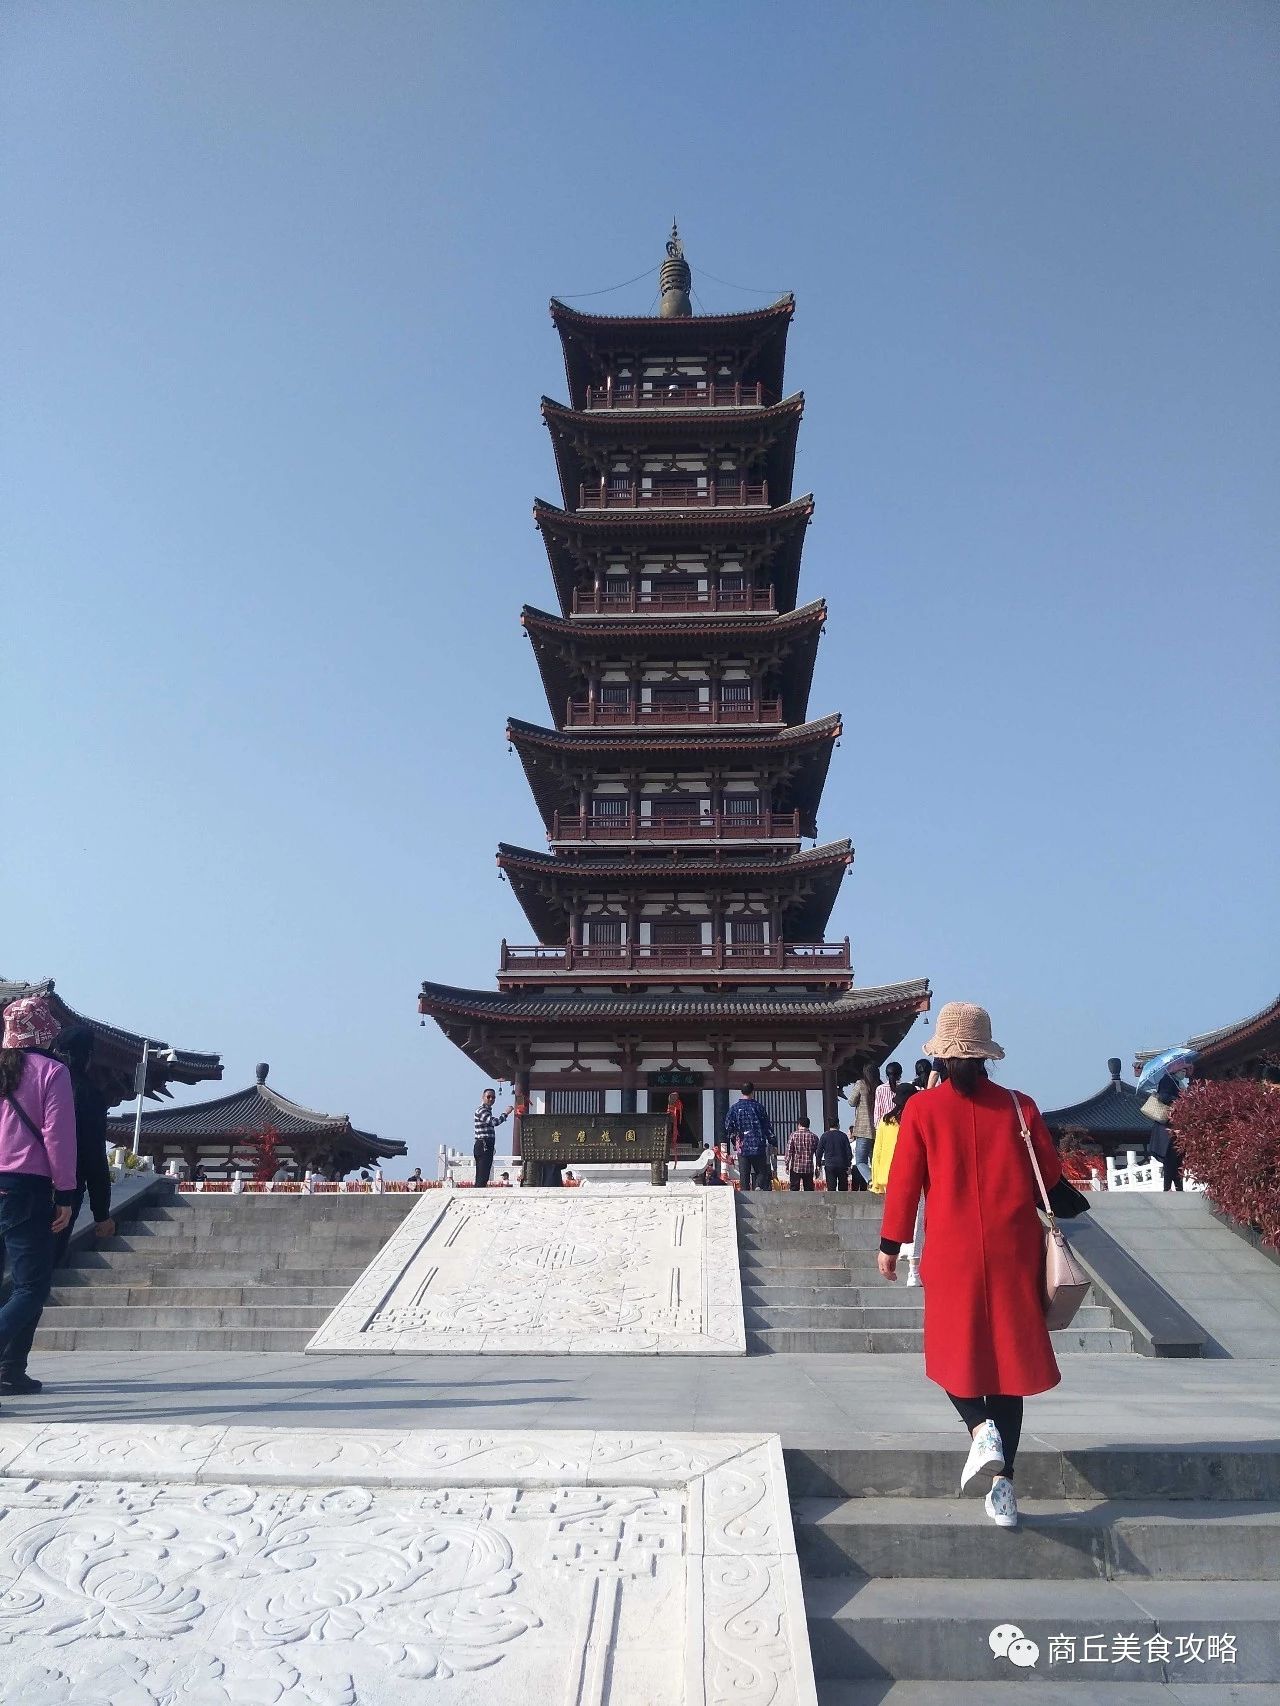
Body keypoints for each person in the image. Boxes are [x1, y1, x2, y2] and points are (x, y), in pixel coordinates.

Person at [877, 1001, 1089, 1532]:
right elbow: (1048, 1172)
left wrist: (890, 1243)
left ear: (942, 1060)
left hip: (953, 1251)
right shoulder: (1020, 1107)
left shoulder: (922, 1111)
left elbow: (905, 1182)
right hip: (1013, 1246)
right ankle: (1004, 1489)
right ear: (987, 1057)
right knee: (1008, 1367)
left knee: (954, 1351)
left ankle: (978, 1432)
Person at [0, 996, 77, 1399]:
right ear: (46, 1032)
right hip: (24, 1186)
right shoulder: (52, 1072)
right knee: (31, 1286)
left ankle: (10, 1373)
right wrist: (65, 1191)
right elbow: (58, 1136)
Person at [725, 1083, 774, 1191]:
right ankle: (758, 1186)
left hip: (742, 1145)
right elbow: (766, 1125)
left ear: (741, 1092)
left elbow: (729, 1127)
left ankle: (745, 1195)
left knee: (744, 1173)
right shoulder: (758, 1107)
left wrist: (735, 1141)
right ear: (753, 1091)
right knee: (761, 1171)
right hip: (758, 1144)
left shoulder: (734, 1108)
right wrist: (771, 1139)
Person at [869, 1085, 912, 1194]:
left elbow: (877, 1151)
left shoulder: (886, 1121)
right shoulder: (913, 1120)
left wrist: (875, 1182)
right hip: (910, 1174)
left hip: (887, 1175)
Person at [472, 1087, 511, 1189]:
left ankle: (480, 1191)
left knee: (484, 1174)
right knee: (482, 1174)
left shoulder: (487, 1110)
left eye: (493, 1097)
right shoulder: (481, 1110)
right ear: (483, 1097)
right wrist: (505, 1113)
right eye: (488, 1097)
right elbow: (494, 1122)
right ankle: (478, 1193)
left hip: (487, 1145)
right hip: (483, 1145)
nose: (491, 1099)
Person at [847, 1065, 879, 1183]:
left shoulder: (861, 1084)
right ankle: (878, 1180)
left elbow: (851, 1101)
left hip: (863, 1129)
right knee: (875, 1160)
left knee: (860, 1161)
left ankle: (870, 1179)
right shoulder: (880, 1086)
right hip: (878, 1129)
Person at [784, 1115, 818, 1191]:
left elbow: (789, 1151)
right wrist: (818, 1168)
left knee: (794, 1189)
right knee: (809, 1190)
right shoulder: (814, 1137)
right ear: (808, 1125)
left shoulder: (793, 1135)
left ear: (799, 1124)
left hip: (796, 1167)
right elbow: (818, 1154)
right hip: (808, 1167)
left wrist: (786, 1164)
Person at [816, 1123, 853, 1192]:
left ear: (829, 1126)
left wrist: (818, 1164)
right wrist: (848, 1164)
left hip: (829, 1164)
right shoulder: (843, 1136)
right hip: (842, 1165)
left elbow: (819, 1152)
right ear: (838, 1125)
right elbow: (848, 1152)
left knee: (831, 1187)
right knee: (843, 1188)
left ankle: (832, 1202)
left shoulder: (824, 1136)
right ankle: (842, 1202)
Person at [874, 1062, 903, 1127]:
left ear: (887, 1075)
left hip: (885, 1125)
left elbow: (878, 1111)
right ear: (900, 1075)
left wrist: (877, 1127)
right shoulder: (902, 1088)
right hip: (899, 1125)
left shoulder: (880, 1089)